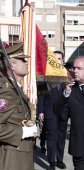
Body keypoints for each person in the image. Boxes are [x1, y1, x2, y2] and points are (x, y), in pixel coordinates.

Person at [0, 42, 37, 170]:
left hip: (22, 154)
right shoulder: (7, 92)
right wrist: (22, 132)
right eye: (22, 60)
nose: (26, 63)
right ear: (11, 66)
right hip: (13, 158)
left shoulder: (16, 89)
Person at [39, 51, 68, 170]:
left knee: (61, 137)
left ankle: (60, 160)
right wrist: (40, 111)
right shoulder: (45, 76)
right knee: (51, 136)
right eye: (55, 59)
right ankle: (51, 161)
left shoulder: (68, 75)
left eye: (59, 59)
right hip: (50, 111)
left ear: (63, 60)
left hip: (64, 112)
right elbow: (41, 95)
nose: (57, 61)